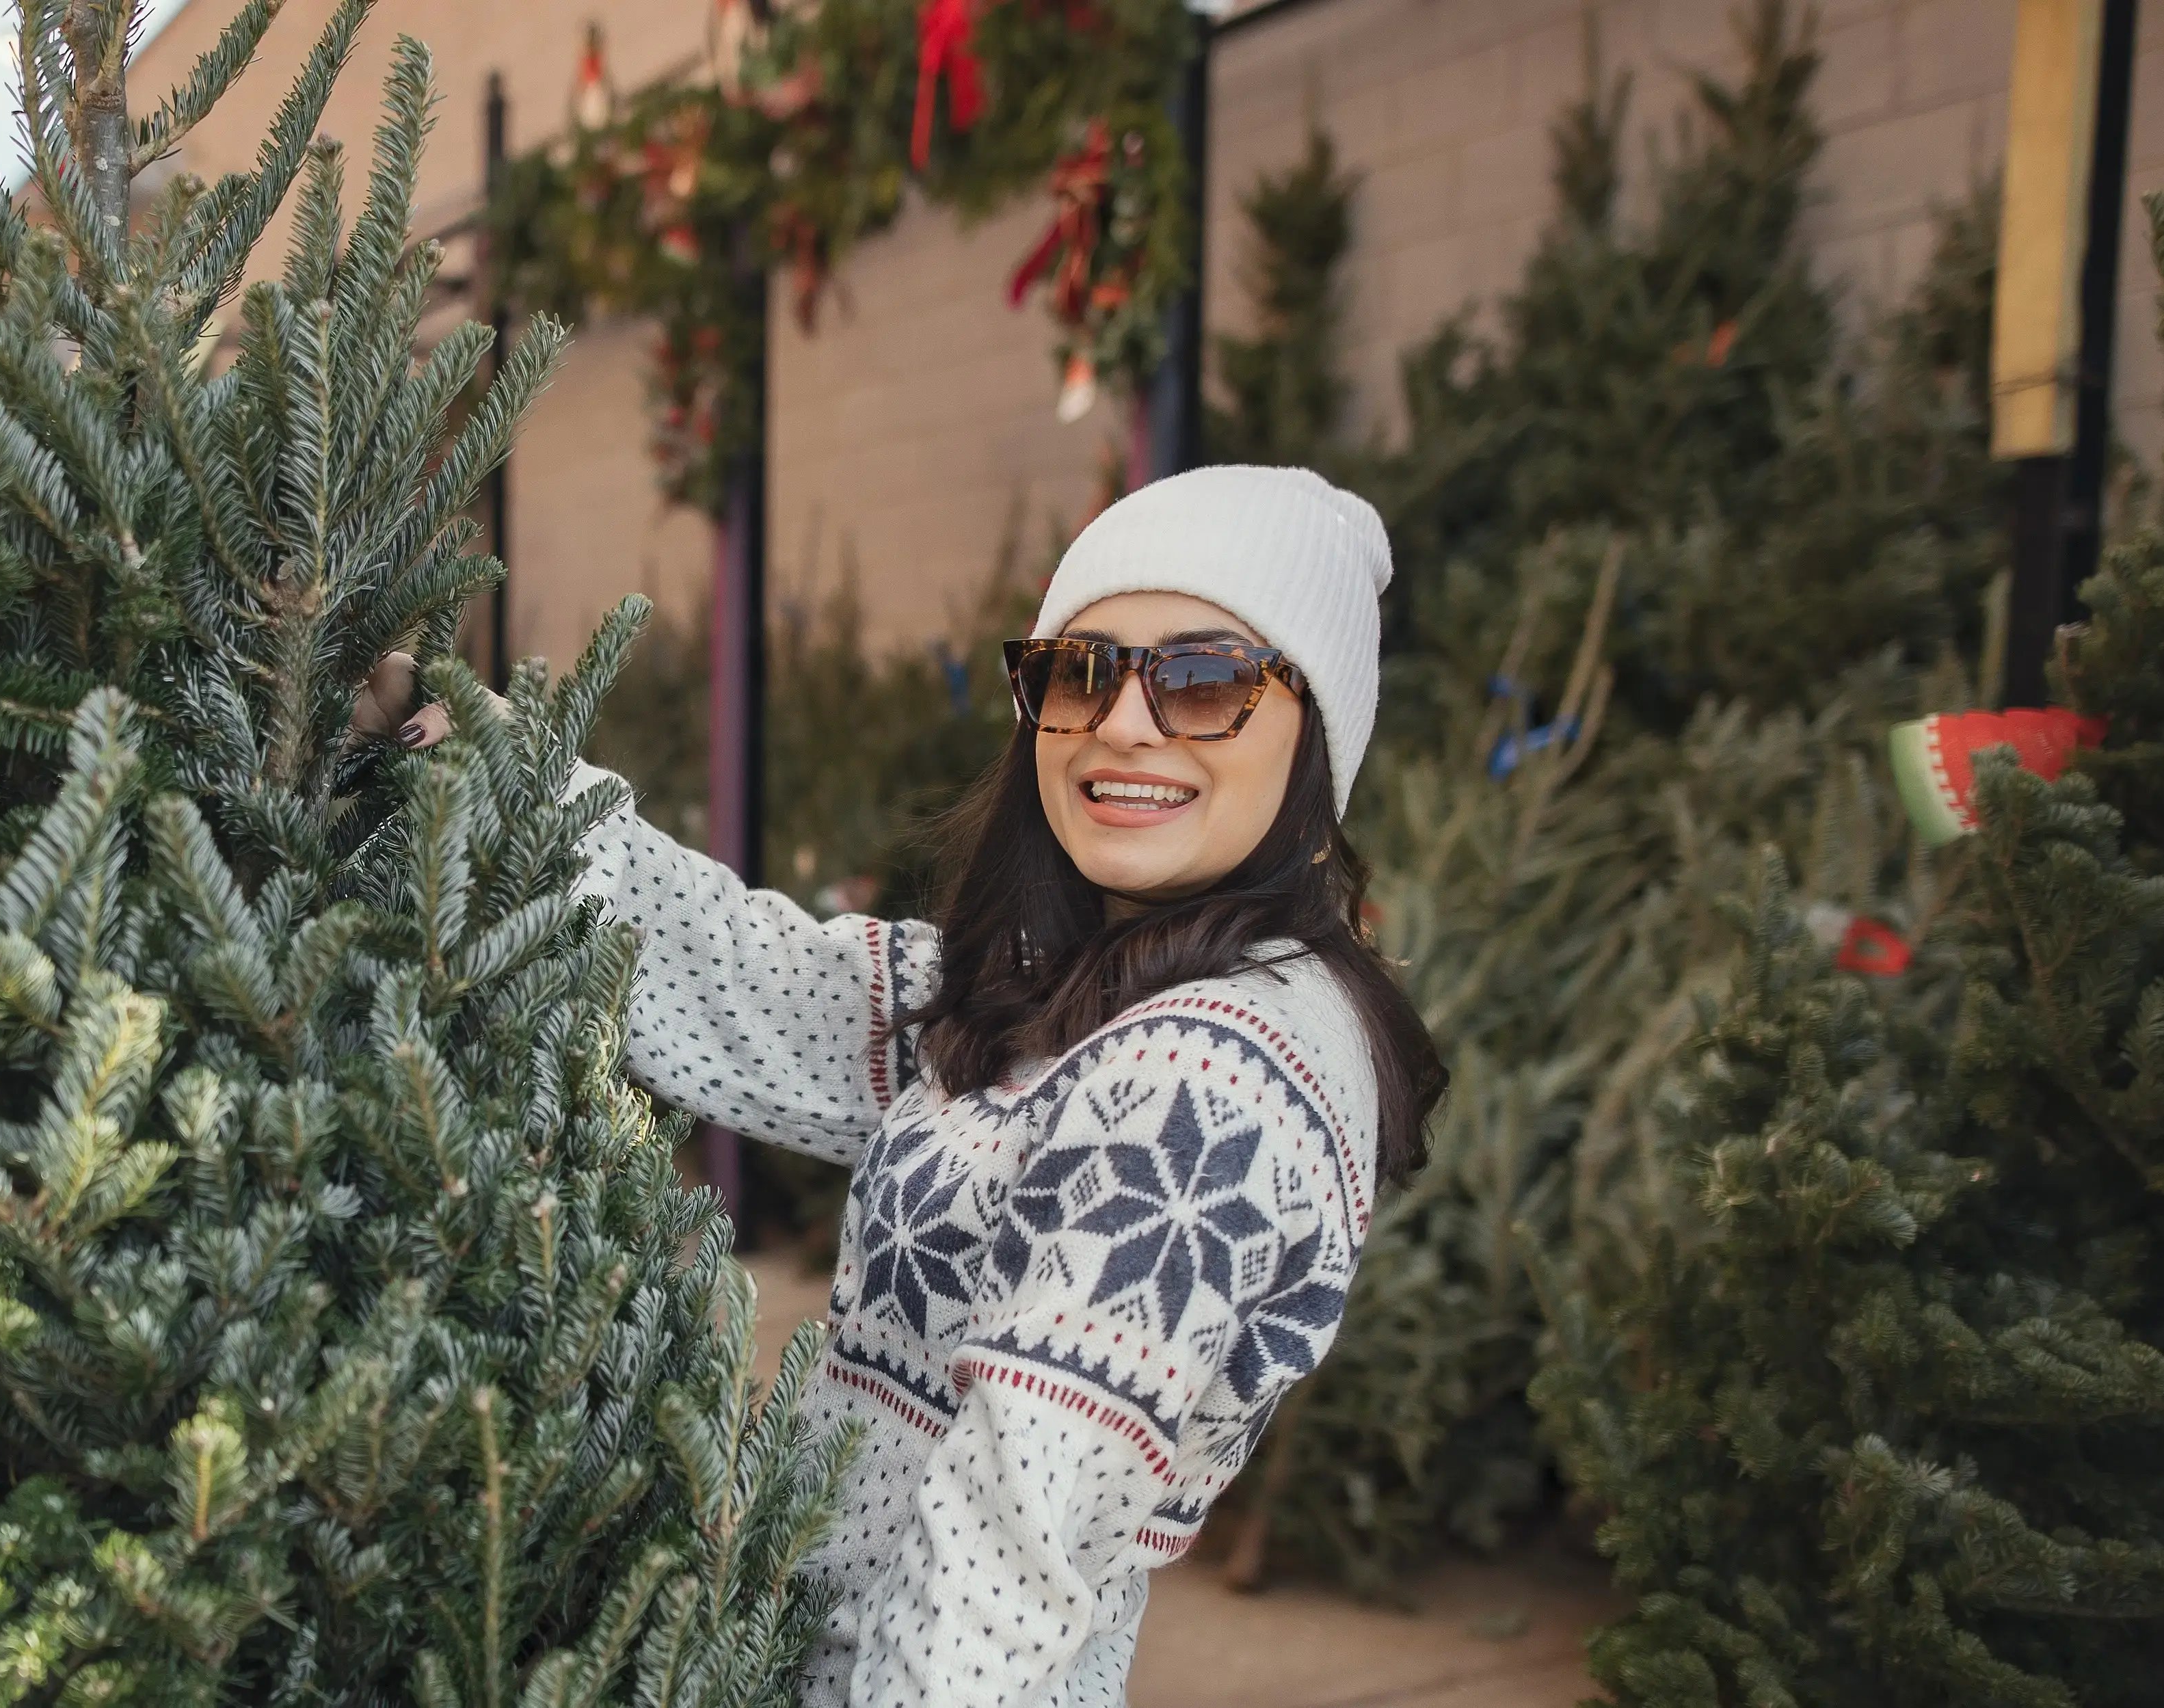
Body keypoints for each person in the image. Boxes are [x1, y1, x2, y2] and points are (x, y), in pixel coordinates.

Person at [362, 464, 1445, 1706]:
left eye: (1205, 682)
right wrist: (438, 732)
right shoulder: (1074, 995)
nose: (1126, 723)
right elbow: (751, 982)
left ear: (1319, 737)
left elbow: (1008, 1554)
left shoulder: (1213, 1083)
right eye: (1080, 673)